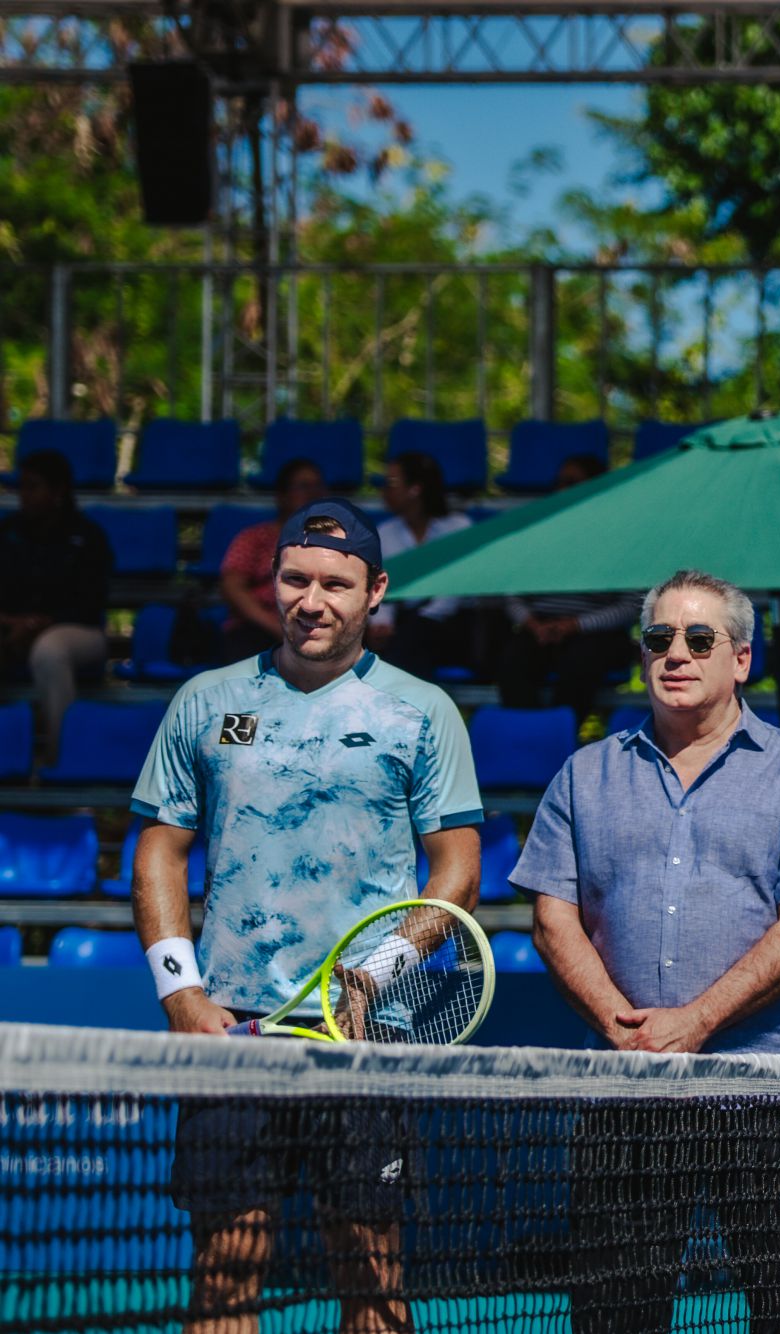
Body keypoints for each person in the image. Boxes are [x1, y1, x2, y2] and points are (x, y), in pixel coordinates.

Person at [128, 497, 485, 1334]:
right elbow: (160, 852)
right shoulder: (207, 701)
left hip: (366, 1036)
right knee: (225, 1274)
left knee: (373, 1276)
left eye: (335, 584)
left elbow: (458, 872)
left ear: (375, 591)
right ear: (275, 581)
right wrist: (180, 993)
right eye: (296, 580)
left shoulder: (422, 711)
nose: (311, 601)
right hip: (232, 1034)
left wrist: (375, 975)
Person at [511, 566, 780, 1334]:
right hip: (627, 1090)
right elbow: (552, 920)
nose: (676, 653)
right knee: (616, 1320)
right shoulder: (584, 775)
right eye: (660, 637)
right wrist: (627, 1031)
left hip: (766, 1093)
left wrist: (694, 1022)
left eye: (700, 639)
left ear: (741, 659)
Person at [496, 453, 638, 723]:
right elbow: (511, 594)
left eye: (572, 483)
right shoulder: (536, 536)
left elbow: (630, 606)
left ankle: (561, 734)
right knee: (512, 659)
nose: (563, 490)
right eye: (559, 483)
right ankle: (527, 734)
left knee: (581, 662)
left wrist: (577, 625)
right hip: (539, 628)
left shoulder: (620, 539)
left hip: (596, 632)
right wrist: (531, 624)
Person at [0, 450, 111, 762]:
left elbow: (90, 605)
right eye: (21, 486)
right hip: (11, 629)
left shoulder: (87, 537)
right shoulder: (7, 532)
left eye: (33, 486)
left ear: (58, 490)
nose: (24, 495)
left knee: (49, 650)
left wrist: (37, 624)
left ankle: (61, 757)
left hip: (78, 632)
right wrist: (11, 622)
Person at [369, 449, 473, 679]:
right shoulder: (385, 533)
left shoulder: (458, 528)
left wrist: (422, 617)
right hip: (404, 624)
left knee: (413, 636)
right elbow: (381, 587)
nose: (385, 490)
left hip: (451, 622)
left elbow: (453, 593)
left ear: (415, 489)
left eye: (392, 483)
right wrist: (381, 623)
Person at [218, 457, 328, 661]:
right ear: (282, 495)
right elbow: (232, 587)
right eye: (304, 486)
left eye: (318, 487)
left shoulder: (335, 542)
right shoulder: (255, 538)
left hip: (320, 626)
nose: (313, 494)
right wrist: (275, 626)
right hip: (259, 628)